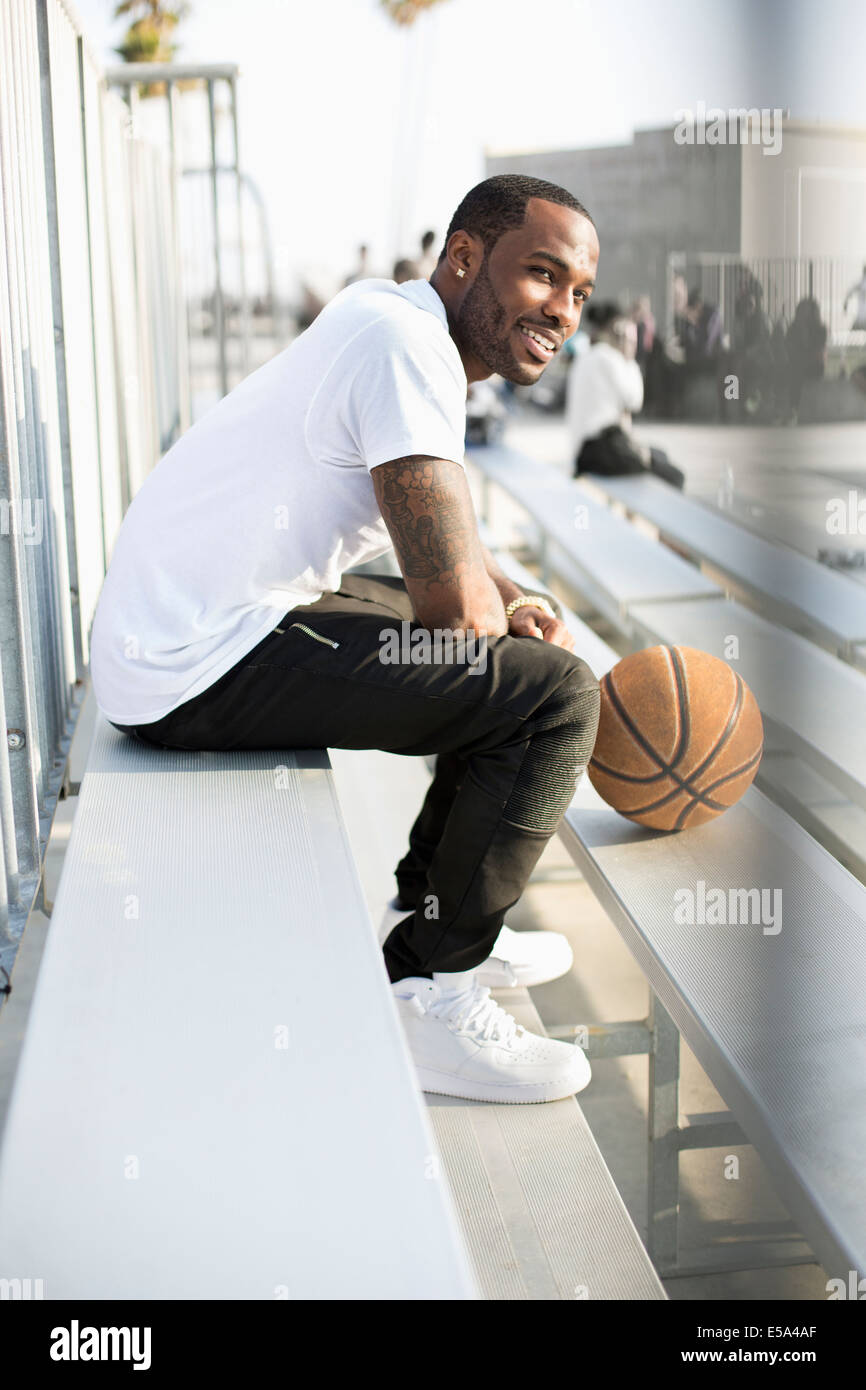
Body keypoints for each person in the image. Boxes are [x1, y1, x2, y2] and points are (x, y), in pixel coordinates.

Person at [89, 174, 603, 1106]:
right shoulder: (406, 348)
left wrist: (506, 592)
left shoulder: (392, 317)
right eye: (542, 275)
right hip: (193, 667)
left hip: (190, 629)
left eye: (579, 294)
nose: (562, 311)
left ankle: (430, 902)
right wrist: (488, 609)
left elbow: (446, 548)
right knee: (554, 697)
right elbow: (454, 614)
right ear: (464, 258)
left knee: (498, 652)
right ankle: (430, 989)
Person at [566, 301, 685, 488]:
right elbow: (634, 400)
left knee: (657, 455)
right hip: (601, 450)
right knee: (675, 476)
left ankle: (628, 515)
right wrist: (629, 359)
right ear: (615, 329)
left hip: (584, 451)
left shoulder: (585, 356)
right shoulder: (610, 358)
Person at [844, 264, 866, 331]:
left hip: (860, 318)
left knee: (853, 337)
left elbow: (849, 293)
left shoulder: (860, 282)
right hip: (861, 318)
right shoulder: (860, 282)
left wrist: (845, 304)